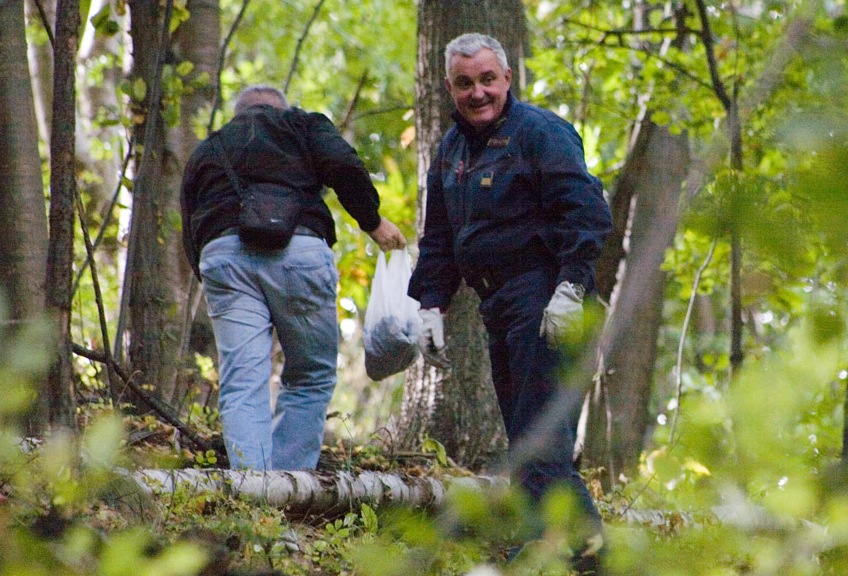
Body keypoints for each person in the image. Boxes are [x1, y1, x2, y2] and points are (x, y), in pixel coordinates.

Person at [407, 33, 612, 573]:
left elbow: (587, 211)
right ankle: (567, 552)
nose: (477, 93)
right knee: (529, 439)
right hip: (498, 305)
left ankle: (569, 555)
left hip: (546, 297)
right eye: (465, 83)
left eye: (487, 80)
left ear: (507, 78)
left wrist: (570, 286)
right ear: (449, 87)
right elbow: (439, 238)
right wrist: (430, 304)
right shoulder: (450, 152)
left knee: (540, 441)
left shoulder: (539, 132)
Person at [181, 84, 406, 471]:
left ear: (238, 115)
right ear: (282, 110)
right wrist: (371, 221)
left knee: (242, 381)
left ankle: (253, 492)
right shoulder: (302, 125)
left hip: (223, 256)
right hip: (298, 251)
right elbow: (343, 164)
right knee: (310, 375)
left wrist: (214, 279)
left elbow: (190, 225)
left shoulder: (208, 149)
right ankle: (291, 486)